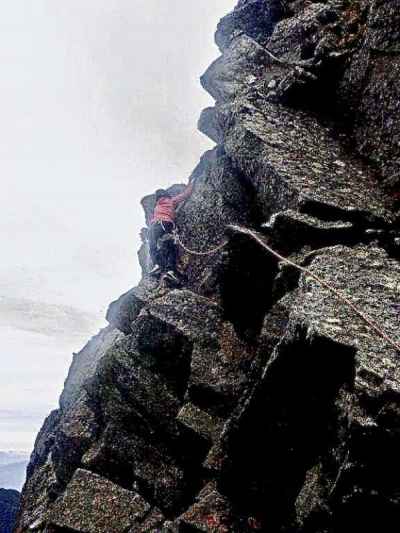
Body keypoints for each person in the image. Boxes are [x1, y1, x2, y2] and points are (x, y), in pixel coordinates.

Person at [148, 183, 194, 281]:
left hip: (154, 226)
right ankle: (170, 270)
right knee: (170, 246)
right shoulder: (171, 201)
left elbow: (154, 218)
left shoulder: (157, 207)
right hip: (165, 224)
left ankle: (157, 265)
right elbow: (185, 195)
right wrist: (192, 184)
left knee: (152, 247)